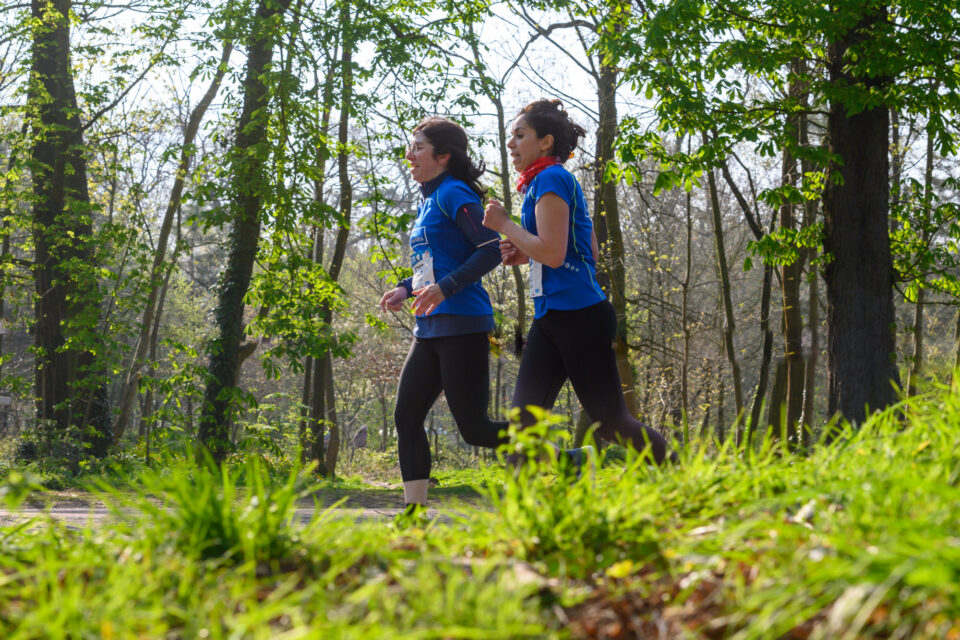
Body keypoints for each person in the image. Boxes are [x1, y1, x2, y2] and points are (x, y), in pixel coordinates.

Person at [482, 99, 671, 464]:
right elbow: (586, 251)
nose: (510, 144)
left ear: (545, 142)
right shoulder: (545, 181)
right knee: (523, 425)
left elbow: (553, 253)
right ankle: (526, 511)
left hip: (580, 317)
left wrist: (506, 225)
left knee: (612, 424)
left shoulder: (551, 178)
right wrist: (526, 251)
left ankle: (682, 476)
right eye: (511, 136)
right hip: (553, 317)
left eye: (519, 135)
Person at [379, 117, 507, 508]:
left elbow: (490, 248)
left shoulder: (454, 193)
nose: (409, 154)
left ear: (444, 155)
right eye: (411, 146)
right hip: (429, 328)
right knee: (406, 417)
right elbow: (431, 262)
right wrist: (406, 287)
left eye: (417, 147)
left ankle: (568, 459)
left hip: (463, 323)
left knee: (475, 429)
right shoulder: (429, 200)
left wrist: (446, 288)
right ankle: (414, 511)